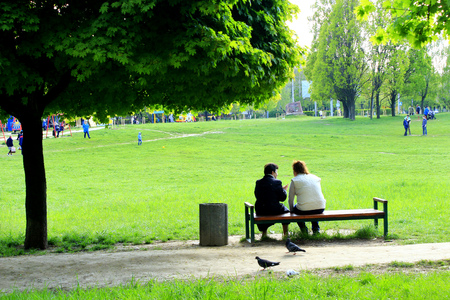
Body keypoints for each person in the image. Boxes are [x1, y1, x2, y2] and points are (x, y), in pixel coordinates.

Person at [288, 160, 326, 235]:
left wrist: (292, 210)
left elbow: (290, 199)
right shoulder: (315, 177)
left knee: (298, 208)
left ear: (294, 170)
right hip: (320, 207)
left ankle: (304, 230)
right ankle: (316, 230)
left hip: (303, 210)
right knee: (313, 206)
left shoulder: (294, 180)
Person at [254, 163, 290, 238]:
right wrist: (284, 191)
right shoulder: (277, 182)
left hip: (261, 210)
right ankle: (285, 234)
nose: (277, 174)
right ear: (272, 172)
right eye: (276, 172)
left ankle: (264, 234)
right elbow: (282, 198)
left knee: (265, 207)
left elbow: (257, 195)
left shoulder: (258, 182)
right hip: (274, 209)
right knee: (286, 210)